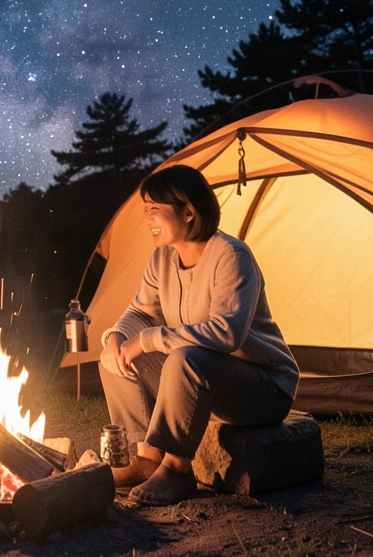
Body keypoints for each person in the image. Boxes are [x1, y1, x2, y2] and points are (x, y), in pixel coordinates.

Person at [99, 165, 298, 506]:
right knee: (114, 356)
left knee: (184, 357)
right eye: (144, 208)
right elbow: (141, 313)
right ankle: (148, 458)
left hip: (263, 387)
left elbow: (227, 334)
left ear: (188, 211)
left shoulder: (231, 256)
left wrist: (146, 339)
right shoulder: (161, 259)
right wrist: (118, 337)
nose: (147, 217)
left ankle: (177, 470)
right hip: (206, 382)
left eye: (154, 209)